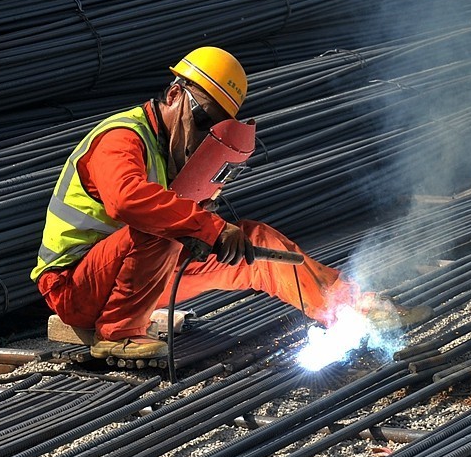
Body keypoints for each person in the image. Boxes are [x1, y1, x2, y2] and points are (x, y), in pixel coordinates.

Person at [30, 46, 429, 361]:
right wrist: (206, 227)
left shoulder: (168, 152)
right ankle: (117, 335)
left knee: (257, 241)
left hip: (135, 274)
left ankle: (350, 307)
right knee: (165, 227)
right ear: (174, 95)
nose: (205, 134)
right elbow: (126, 202)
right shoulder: (122, 137)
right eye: (203, 119)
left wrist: (215, 229)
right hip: (73, 287)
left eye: (214, 128)